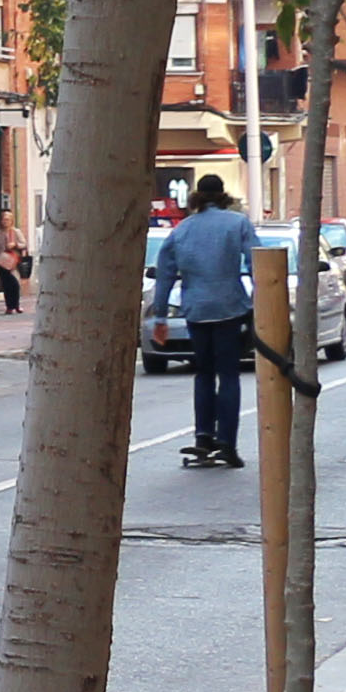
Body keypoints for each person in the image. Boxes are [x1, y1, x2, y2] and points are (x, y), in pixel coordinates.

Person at [148, 171, 261, 470]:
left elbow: (165, 274)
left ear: (197, 197)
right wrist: (261, 301)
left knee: (203, 373)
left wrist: (160, 315)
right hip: (229, 307)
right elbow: (257, 263)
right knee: (229, 374)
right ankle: (227, 441)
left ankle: (203, 436)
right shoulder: (238, 223)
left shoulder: (182, 230)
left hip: (196, 309)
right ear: (224, 196)